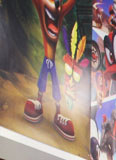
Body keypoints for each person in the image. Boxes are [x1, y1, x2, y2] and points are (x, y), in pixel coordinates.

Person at [24, 0, 78, 141]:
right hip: (46, 60)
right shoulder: (42, 5)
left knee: (55, 86)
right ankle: (39, 103)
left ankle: (57, 113)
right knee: (42, 81)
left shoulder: (59, 11)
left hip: (52, 62)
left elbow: (69, 4)